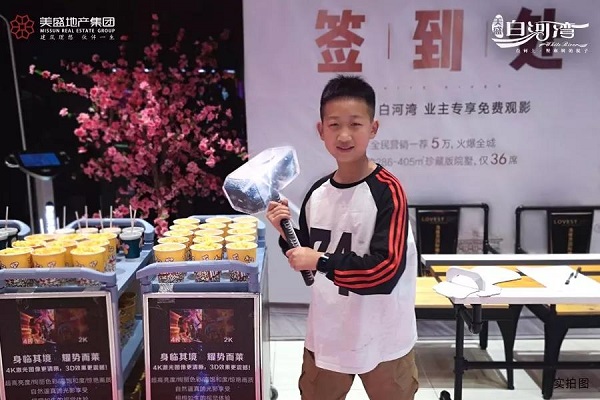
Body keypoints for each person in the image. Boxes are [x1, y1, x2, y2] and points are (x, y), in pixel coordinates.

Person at [266, 75, 419, 399]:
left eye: (355, 124)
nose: (344, 135)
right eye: (334, 125)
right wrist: (286, 232)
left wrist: (320, 260)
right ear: (321, 130)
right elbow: (309, 267)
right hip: (328, 332)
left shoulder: (388, 192)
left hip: (383, 335)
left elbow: (386, 270)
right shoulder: (317, 193)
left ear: (373, 128)